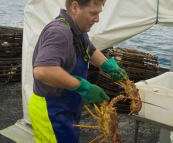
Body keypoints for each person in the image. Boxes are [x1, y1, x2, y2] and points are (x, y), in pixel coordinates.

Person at [28, 0, 128, 143]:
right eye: (93, 13)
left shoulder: (78, 30)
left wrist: (110, 67)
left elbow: (90, 51)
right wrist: (84, 87)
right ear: (75, 7)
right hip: (51, 109)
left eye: (98, 13)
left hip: (68, 106)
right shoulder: (59, 32)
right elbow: (43, 70)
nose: (97, 19)